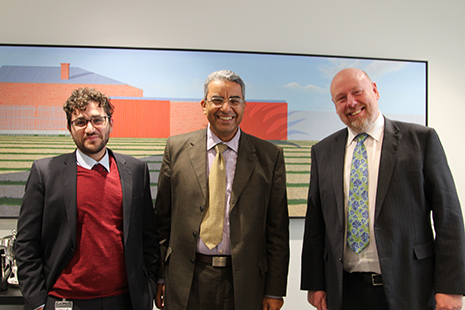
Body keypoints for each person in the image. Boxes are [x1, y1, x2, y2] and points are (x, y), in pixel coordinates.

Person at [301, 68, 465, 310]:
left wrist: (451, 287)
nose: (351, 103)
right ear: (335, 105)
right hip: (345, 291)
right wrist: (315, 284)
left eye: (357, 92)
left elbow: (448, 219)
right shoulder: (323, 151)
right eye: (341, 98)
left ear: (375, 91)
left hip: (410, 286)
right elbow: (316, 224)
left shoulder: (421, 140)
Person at [154, 70, 289, 310]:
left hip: (245, 284)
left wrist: (275, 290)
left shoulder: (269, 157)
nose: (226, 108)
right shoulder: (176, 149)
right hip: (187, 279)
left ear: (244, 106)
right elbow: (162, 221)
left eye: (234, 100)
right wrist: (160, 276)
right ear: (204, 105)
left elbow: (277, 231)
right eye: (217, 100)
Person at [15, 87, 160, 310]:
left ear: (110, 122)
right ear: (70, 128)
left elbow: (148, 236)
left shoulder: (135, 169)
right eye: (81, 122)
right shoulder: (46, 172)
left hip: (124, 300)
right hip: (65, 299)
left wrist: (148, 286)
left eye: (97, 120)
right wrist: (36, 301)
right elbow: (26, 242)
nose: (90, 129)